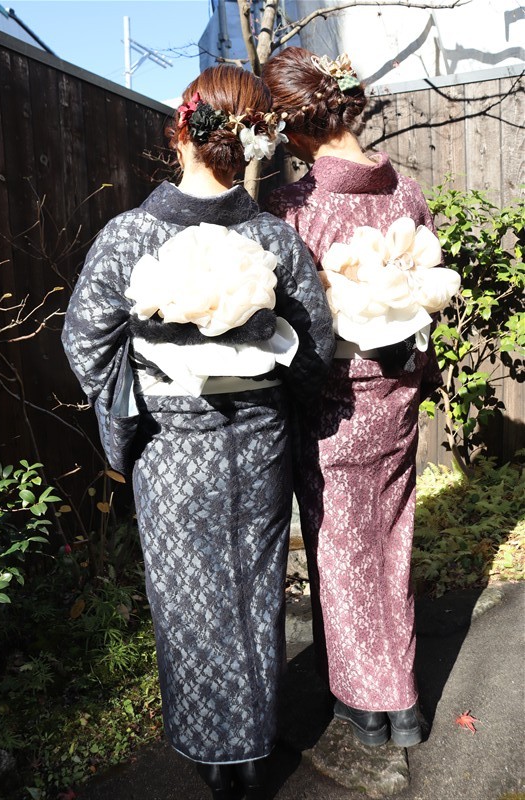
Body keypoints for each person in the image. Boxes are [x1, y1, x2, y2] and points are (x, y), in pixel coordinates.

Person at [62, 65, 335, 799]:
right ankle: (253, 742)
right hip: (257, 443)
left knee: (187, 597)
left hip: (170, 447)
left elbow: (86, 344)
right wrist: (277, 401)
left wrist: (132, 414)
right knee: (252, 590)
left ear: (178, 133)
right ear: (253, 141)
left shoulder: (130, 234)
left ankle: (216, 758)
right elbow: (312, 350)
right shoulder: (273, 237)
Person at [263, 47, 459, 749]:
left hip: (332, 397)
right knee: (390, 535)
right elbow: (427, 290)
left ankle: (367, 703)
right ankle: (401, 702)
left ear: (295, 127)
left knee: (340, 545)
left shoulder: (295, 205)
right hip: (396, 385)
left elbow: (286, 321)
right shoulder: (406, 192)